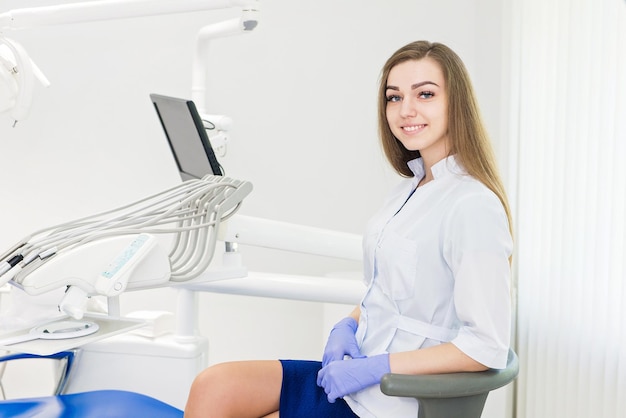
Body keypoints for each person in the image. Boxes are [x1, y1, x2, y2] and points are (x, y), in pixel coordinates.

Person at [184, 40, 514, 418]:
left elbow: (485, 346)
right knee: (213, 386)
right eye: (394, 97)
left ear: (456, 103)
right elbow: (389, 289)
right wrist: (347, 324)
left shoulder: (472, 206)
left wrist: (377, 367)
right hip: (348, 383)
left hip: (392, 399)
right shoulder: (410, 187)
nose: (406, 110)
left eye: (425, 94)